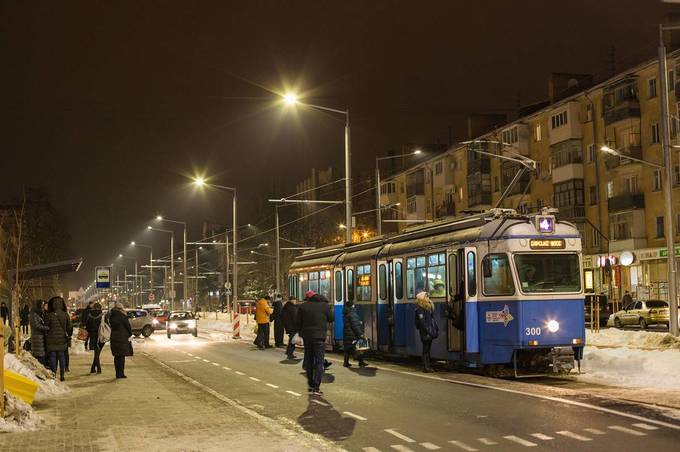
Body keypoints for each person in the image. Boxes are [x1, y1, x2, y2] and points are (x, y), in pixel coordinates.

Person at [297, 291, 334, 395]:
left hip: (307, 337)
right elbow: (331, 319)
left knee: (308, 359)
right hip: (319, 337)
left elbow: (298, 321)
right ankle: (316, 387)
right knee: (319, 361)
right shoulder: (324, 306)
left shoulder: (303, 306)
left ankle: (310, 384)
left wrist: (300, 333)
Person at [45, 296, 71, 381]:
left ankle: (54, 374)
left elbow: (46, 326)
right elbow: (69, 327)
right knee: (61, 356)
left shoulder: (50, 315)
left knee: (52, 356)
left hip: (51, 339)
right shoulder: (65, 314)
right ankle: (62, 375)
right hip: (62, 339)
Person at [414, 291, 438, 373]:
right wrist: (429, 331)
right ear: (422, 299)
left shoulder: (427, 307)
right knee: (426, 350)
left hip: (429, 331)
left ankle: (427, 366)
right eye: (426, 296)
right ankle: (426, 367)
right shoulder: (420, 309)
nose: (428, 298)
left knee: (427, 350)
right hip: (425, 332)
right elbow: (422, 323)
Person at [109, 302, 133, 379]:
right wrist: (129, 334)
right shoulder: (122, 316)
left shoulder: (111, 316)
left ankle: (117, 374)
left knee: (116, 357)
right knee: (122, 357)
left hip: (114, 337)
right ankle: (121, 373)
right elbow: (128, 326)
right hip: (122, 337)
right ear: (120, 309)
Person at [342, 300, 367, 368]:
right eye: (353, 304)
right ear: (352, 305)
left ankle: (346, 363)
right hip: (353, 334)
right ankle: (360, 362)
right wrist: (360, 334)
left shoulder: (346, 312)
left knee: (347, 349)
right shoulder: (352, 313)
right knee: (359, 347)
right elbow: (355, 325)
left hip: (347, 334)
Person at [29, 299, 49, 367]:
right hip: (37, 337)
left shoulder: (39, 313)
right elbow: (36, 325)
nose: (42, 306)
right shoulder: (33, 314)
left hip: (40, 337)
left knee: (41, 354)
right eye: (42, 304)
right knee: (39, 355)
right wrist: (46, 328)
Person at [86, 303, 104, 374]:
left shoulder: (90, 315)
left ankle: (93, 368)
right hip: (100, 336)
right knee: (97, 353)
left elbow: (87, 326)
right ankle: (98, 368)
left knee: (96, 352)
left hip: (92, 336)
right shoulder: (102, 316)